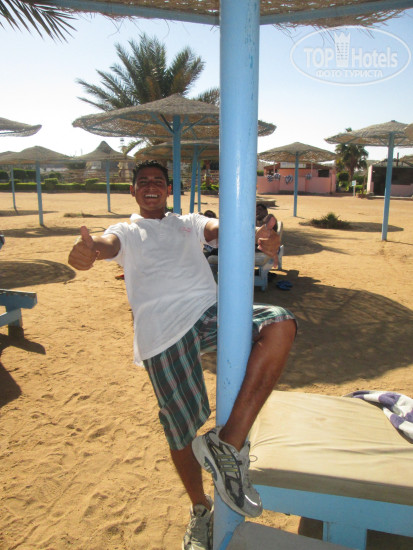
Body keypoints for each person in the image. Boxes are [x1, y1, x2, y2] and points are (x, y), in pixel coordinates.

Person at [68, 160, 296, 550]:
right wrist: (90, 251)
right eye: (143, 182)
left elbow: (221, 230)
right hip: (161, 330)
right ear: (133, 191)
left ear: (168, 189)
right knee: (182, 427)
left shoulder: (188, 223)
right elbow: (108, 245)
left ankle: (227, 444)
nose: (151, 186)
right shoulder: (126, 230)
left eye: (158, 181)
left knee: (280, 322)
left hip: (209, 312)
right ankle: (200, 508)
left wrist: (257, 237)